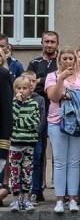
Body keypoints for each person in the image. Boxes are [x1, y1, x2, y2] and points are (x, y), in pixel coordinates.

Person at [45, 47, 80, 213]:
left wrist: (69, 94)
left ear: (74, 61)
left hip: (78, 123)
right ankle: (60, 199)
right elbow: (54, 96)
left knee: (74, 162)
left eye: (70, 59)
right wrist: (61, 81)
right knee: (59, 162)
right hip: (56, 122)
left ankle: (73, 198)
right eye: (64, 59)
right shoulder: (52, 76)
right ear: (59, 60)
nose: (68, 62)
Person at [26, 30, 59, 204]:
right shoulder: (34, 63)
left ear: (57, 44)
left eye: (52, 42)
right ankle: (36, 190)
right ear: (41, 43)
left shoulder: (60, 63)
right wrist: (44, 81)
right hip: (37, 110)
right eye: (46, 41)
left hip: (56, 110)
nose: (49, 45)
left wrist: (40, 80)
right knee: (38, 153)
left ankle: (62, 190)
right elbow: (28, 82)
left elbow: (59, 80)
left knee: (59, 154)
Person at [7, 77, 40, 211]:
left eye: (24, 88)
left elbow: (34, 122)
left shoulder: (34, 104)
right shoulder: (12, 103)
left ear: (30, 89)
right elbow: (12, 119)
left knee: (27, 172)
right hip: (15, 143)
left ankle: (26, 198)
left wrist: (20, 123)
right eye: (19, 88)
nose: (22, 91)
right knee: (15, 173)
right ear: (15, 90)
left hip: (29, 143)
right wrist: (18, 104)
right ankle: (16, 199)